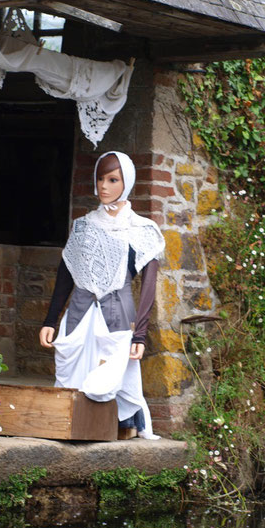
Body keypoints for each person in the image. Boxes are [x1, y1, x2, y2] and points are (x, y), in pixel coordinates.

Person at [39, 151, 165, 439]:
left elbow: (148, 286)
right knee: (70, 377)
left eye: (113, 179)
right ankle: (73, 425)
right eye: (100, 178)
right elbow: (66, 274)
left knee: (114, 377)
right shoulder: (83, 227)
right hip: (79, 314)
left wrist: (140, 335)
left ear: (127, 182)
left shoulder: (143, 231)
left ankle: (124, 425)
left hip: (118, 315)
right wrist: (50, 320)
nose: (104, 186)